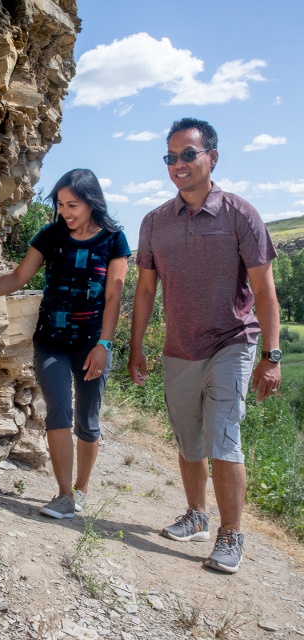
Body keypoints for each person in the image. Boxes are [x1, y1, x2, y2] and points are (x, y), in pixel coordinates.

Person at [128, 117, 281, 573]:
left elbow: (265, 291)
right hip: (179, 346)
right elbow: (145, 291)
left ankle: (231, 535)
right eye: (171, 157)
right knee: (188, 439)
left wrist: (272, 357)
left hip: (233, 341)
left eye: (188, 154)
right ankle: (196, 514)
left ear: (212, 157)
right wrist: (135, 346)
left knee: (223, 438)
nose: (179, 165)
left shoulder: (240, 213)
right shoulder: (155, 222)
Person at [0, 169, 130, 519]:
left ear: (92, 203)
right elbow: (16, 277)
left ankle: (82, 489)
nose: (65, 211)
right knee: (58, 411)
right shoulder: (51, 236)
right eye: (60, 204)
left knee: (88, 421)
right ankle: (63, 495)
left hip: (92, 343)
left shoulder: (114, 239)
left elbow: (115, 295)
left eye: (73, 204)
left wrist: (105, 343)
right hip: (52, 341)